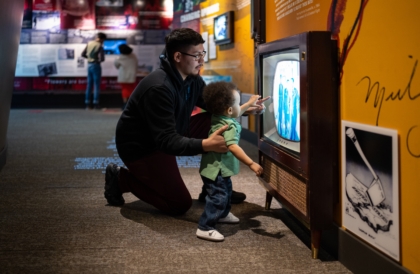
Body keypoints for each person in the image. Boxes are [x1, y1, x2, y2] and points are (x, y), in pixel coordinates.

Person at [104, 28, 268, 216]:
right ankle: (120, 179)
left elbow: (212, 104)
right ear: (178, 56)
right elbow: (166, 141)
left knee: (224, 125)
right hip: (143, 147)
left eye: (203, 54)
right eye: (197, 55)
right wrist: (206, 145)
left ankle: (214, 188)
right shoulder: (158, 87)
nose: (202, 60)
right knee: (178, 204)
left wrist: (246, 107)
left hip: (173, 130)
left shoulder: (192, 78)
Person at [196, 81, 264, 241]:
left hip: (216, 169)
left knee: (225, 193)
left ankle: (223, 214)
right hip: (217, 171)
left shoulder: (218, 116)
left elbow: (236, 112)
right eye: (238, 103)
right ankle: (205, 227)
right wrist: (251, 163)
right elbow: (233, 147)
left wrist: (248, 104)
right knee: (218, 198)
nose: (240, 106)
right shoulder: (229, 126)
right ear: (229, 110)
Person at [81, 32, 107, 110]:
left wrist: (89, 58)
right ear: (102, 39)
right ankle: (96, 104)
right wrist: (96, 60)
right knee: (96, 85)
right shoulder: (99, 45)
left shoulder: (89, 43)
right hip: (96, 65)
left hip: (89, 65)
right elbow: (102, 59)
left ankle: (87, 104)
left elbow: (83, 54)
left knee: (89, 85)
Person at [114, 44, 138, 110]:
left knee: (124, 90)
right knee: (131, 90)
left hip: (123, 76)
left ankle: (125, 104)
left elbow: (116, 66)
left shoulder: (119, 58)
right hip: (132, 76)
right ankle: (131, 104)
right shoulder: (134, 56)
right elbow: (136, 65)